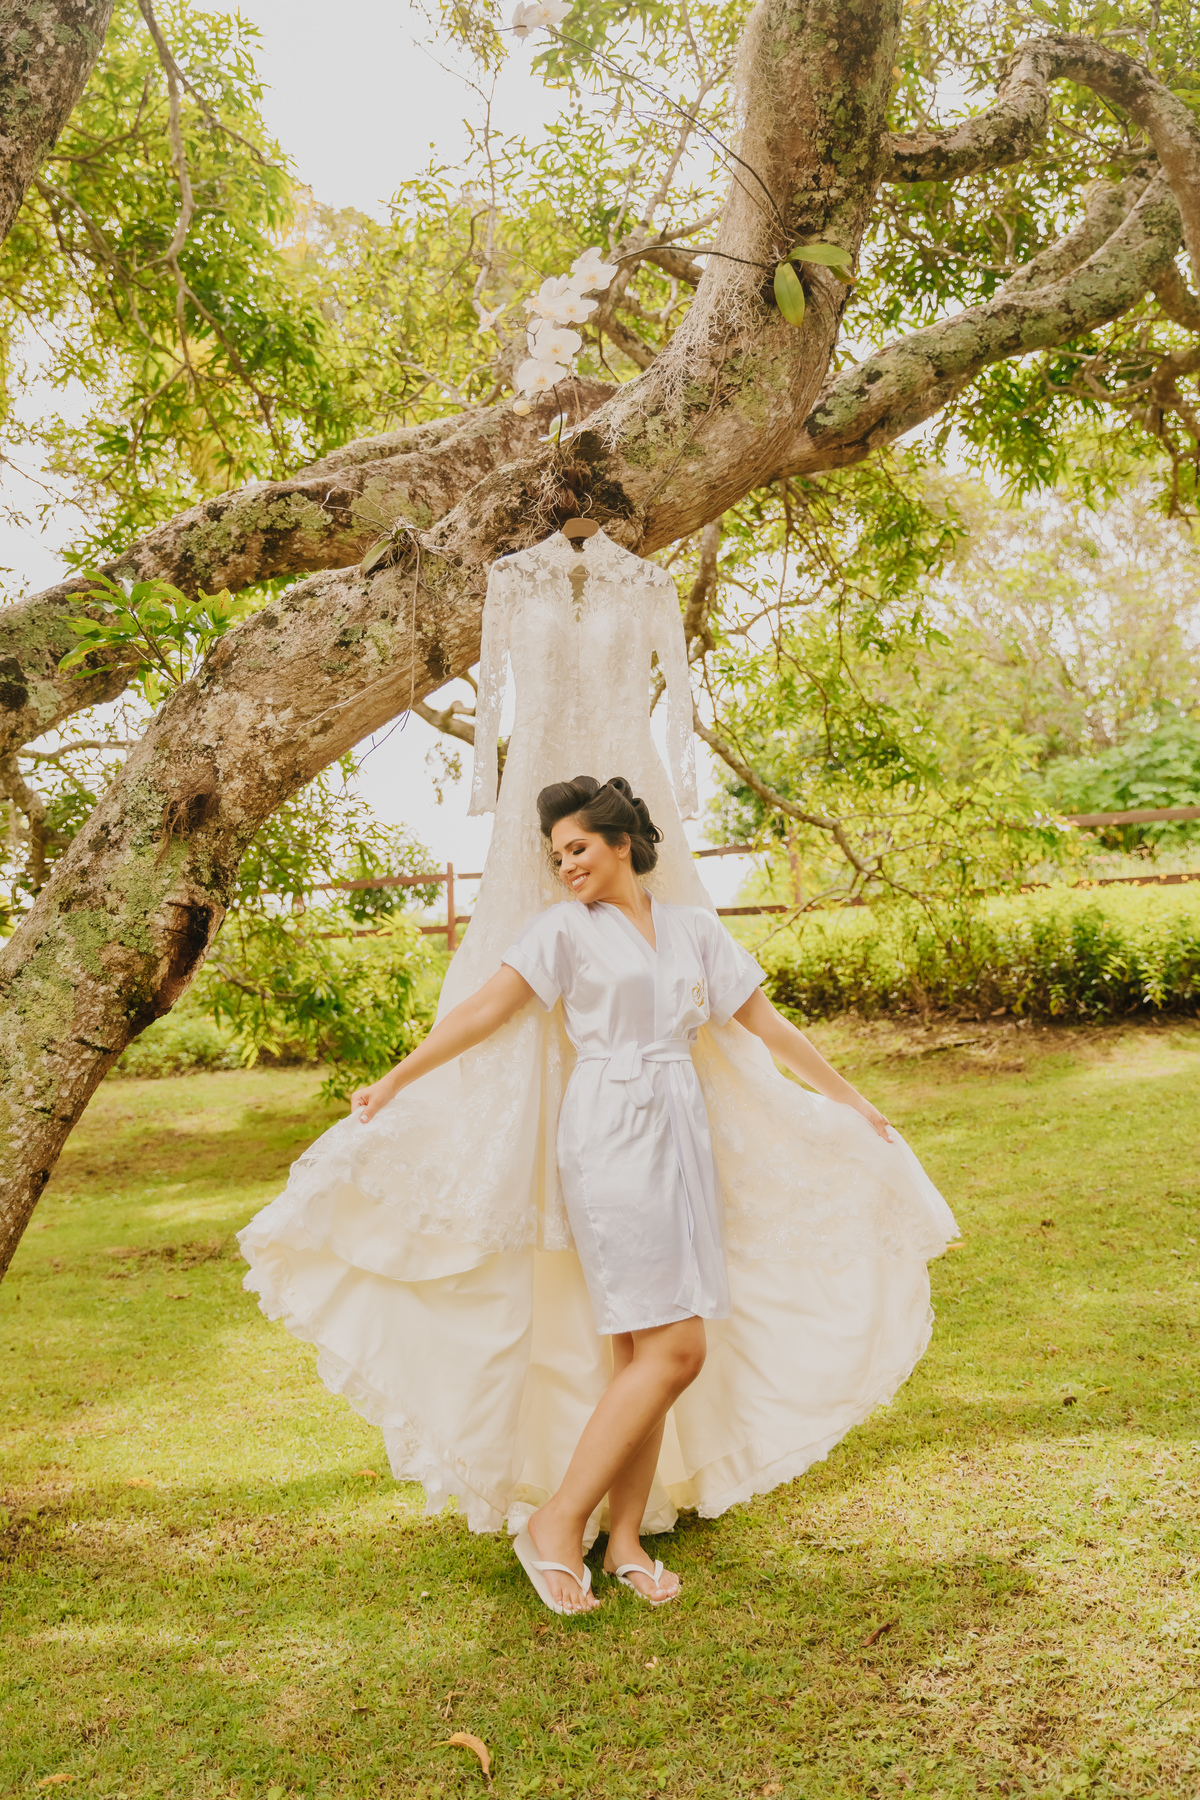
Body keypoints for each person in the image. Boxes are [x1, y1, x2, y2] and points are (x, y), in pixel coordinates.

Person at [349, 775, 895, 1617]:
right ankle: (557, 1523)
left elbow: (766, 1024)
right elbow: (485, 1010)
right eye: (556, 855)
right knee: (679, 1349)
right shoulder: (562, 931)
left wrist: (851, 1101)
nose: (566, 865)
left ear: (621, 844)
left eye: (577, 848)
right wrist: (395, 1080)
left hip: (682, 1132)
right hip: (609, 1135)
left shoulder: (693, 930)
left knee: (643, 1353)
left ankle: (626, 1538)